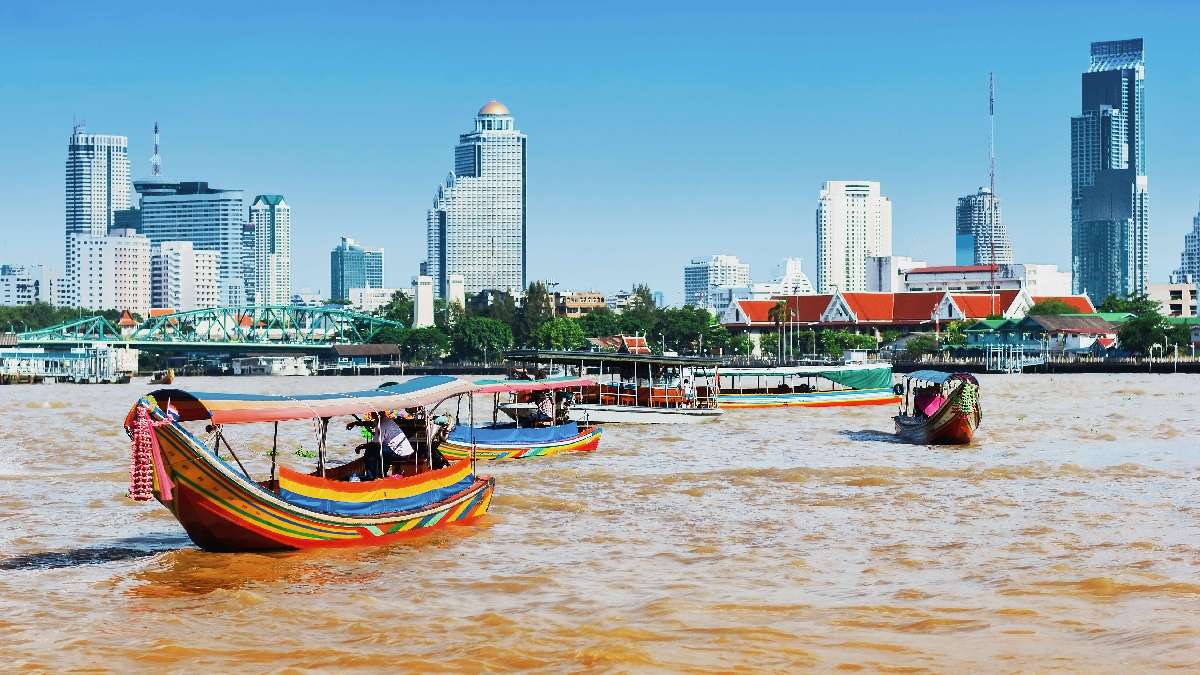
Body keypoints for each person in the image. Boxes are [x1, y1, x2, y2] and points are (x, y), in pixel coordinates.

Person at [348, 410, 414, 480]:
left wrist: (361, 446)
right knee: (378, 449)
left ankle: (371, 476)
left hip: (400, 453)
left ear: (377, 414)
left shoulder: (382, 424)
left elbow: (376, 443)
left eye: (372, 412)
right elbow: (371, 424)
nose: (370, 414)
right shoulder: (384, 420)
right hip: (400, 450)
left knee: (372, 449)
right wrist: (355, 423)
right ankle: (380, 474)